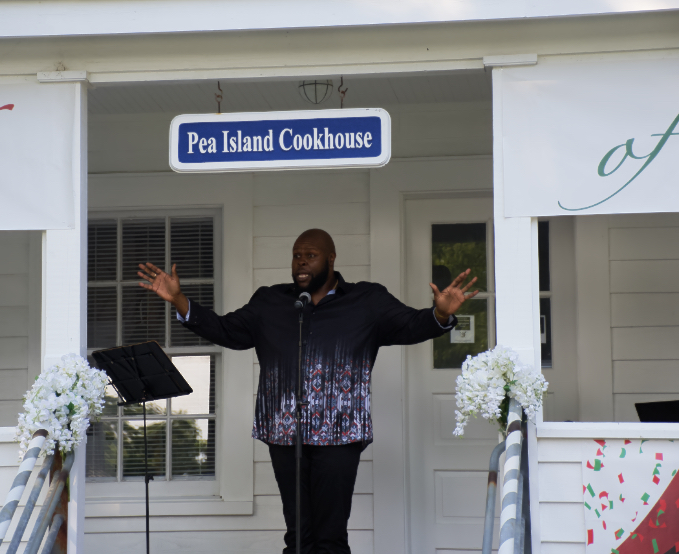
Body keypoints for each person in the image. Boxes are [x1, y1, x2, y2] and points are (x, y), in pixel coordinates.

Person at [138, 228, 478, 554]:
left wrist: (439, 314)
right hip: (285, 433)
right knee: (298, 537)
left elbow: (409, 324)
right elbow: (228, 331)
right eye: (296, 255)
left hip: (341, 431)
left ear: (331, 259)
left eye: (311, 255)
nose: (301, 262)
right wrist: (180, 300)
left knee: (330, 538)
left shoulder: (367, 300)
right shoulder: (269, 302)